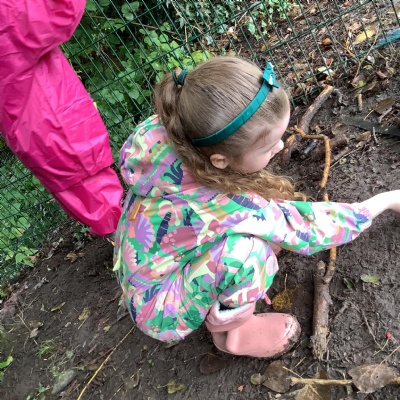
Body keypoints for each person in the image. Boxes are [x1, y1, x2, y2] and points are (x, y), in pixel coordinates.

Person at [113, 56, 400, 358]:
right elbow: (304, 227)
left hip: (147, 268)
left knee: (251, 234)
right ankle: (232, 335)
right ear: (220, 161)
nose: (281, 146)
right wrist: (384, 201)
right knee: (249, 254)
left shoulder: (175, 133)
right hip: (159, 308)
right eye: (267, 146)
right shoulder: (224, 205)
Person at [0, 0, 123, 238]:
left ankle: (122, 243)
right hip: (55, 124)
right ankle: (135, 247)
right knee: (100, 199)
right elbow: (61, 10)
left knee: (84, 198)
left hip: (26, 129)